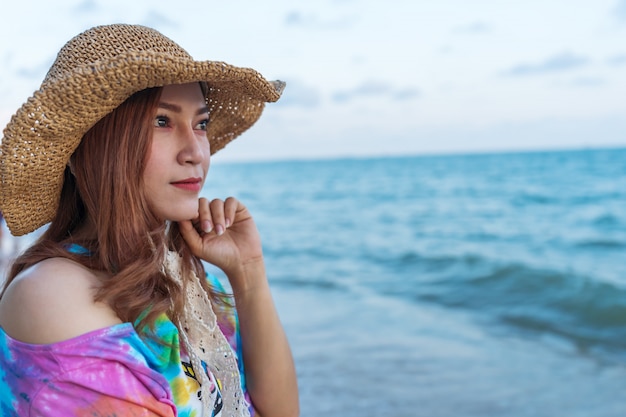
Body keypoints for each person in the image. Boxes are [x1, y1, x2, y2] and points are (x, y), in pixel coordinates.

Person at [0, 24, 299, 417]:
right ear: (88, 145)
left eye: (201, 123)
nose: (195, 151)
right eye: (162, 121)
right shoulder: (55, 293)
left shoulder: (186, 278)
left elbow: (279, 411)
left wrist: (249, 273)